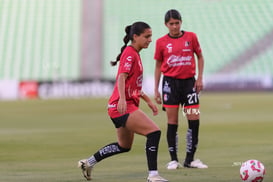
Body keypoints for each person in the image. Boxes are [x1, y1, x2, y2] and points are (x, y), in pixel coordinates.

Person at [78, 21, 168, 182]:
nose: (150, 40)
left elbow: (132, 85)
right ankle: (153, 176)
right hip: (122, 107)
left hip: (120, 107)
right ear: (135, 37)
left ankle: (88, 163)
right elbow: (121, 77)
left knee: (124, 146)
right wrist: (121, 99)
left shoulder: (135, 54)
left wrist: (148, 101)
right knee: (154, 132)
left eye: (151, 36)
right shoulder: (130, 53)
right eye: (147, 36)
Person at [154, 9, 208, 170]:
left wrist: (199, 78)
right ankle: (173, 160)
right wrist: (156, 89)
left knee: (194, 120)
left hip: (189, 84)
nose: (175, 26)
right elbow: (158, 65)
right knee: (172, 122)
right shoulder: (161, 42)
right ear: (166, 25)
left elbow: (200, 56)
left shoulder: (191, 37)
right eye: (171, 24)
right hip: (170, 84)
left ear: (181, 22)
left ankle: (190, 159)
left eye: (177, 23)